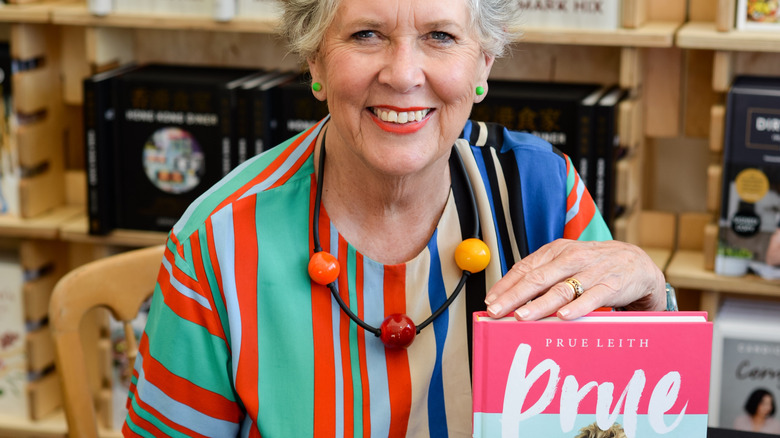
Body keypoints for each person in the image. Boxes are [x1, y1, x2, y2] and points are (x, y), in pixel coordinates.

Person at [122, 0, 671, 435]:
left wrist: (652, 300)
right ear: (314, 58)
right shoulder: (218, 238)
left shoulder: (543, 192)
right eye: (367, 35)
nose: (403, 74)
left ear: (484, 62)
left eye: (440, 36)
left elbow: (632, 416)